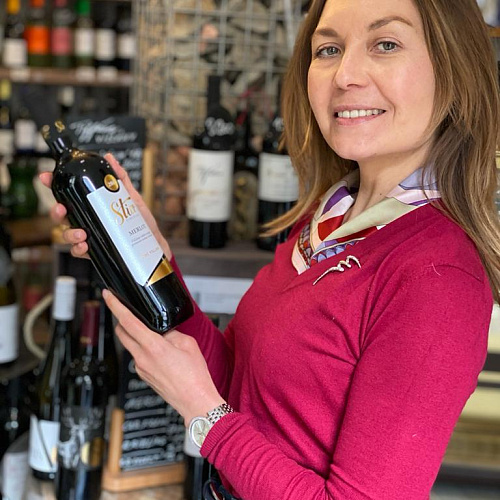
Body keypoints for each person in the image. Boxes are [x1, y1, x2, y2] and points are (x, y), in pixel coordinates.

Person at [41, 0, 500, 498]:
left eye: (385, 44)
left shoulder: (439, 276)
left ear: (454, 72)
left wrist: (205, 414)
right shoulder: (330, 215)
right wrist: (148, 256)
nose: (345, 75)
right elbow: (240, 381)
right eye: (328, 49)